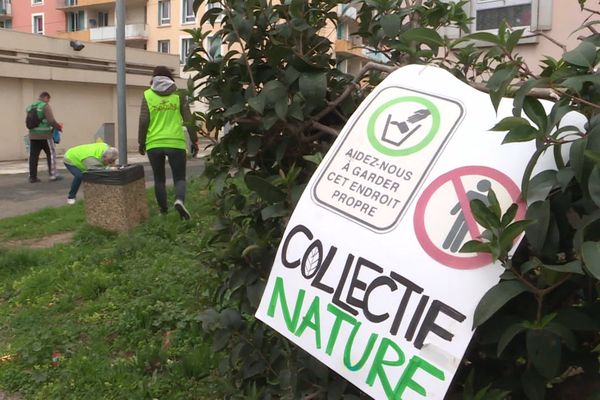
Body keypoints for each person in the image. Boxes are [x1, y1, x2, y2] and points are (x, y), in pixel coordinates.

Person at [138, 66, 199, 220]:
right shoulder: (179, 95)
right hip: (176, 143)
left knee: (159, 179)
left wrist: (141, 142)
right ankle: (179, 200)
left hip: (154, 144)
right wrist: (194, 139)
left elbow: (144, 121)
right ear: (170, 78)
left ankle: (163, 211)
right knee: (179, 177)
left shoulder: (147, 95)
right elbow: (188, 119)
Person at [26, 92, 63, 183]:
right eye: (48, 99)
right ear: (46, 97)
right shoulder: (45, 106)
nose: (48, 101)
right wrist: (58, 127)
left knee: (33, 156)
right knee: (51, 154)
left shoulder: (30, 106)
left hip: (33, 135)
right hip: (45, 135)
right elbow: (51, 120)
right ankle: (53, 175)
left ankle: (32, 177)